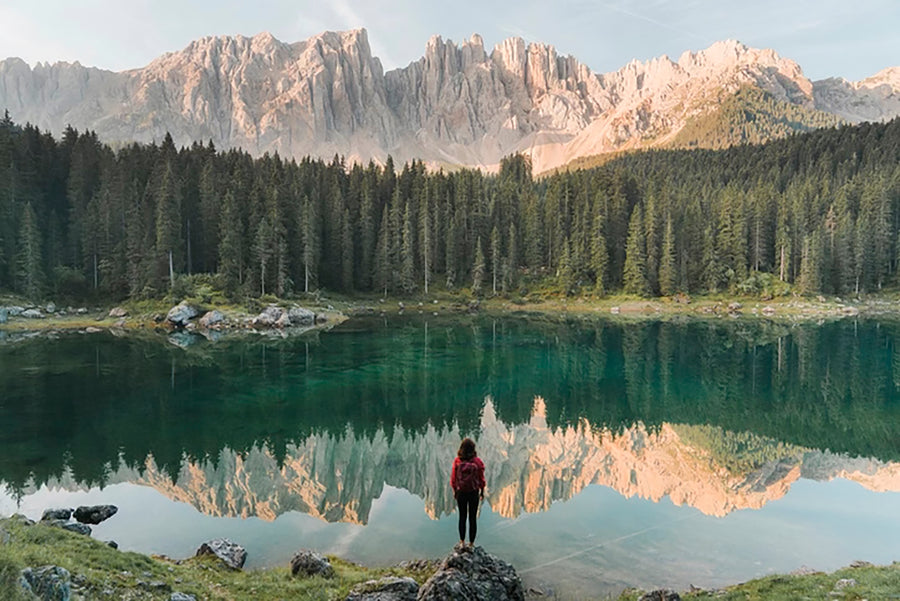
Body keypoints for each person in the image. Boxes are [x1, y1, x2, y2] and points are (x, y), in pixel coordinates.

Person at [450, 437, 485, 547]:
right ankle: (471, 544)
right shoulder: (477, 462)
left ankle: (461, 542)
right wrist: (482, 491)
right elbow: (481, 479)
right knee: (472, 518)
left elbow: (453, 479)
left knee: (462, 517)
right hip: (473, 492)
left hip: (461, 492)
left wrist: (455, 491)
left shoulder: (457, 461)